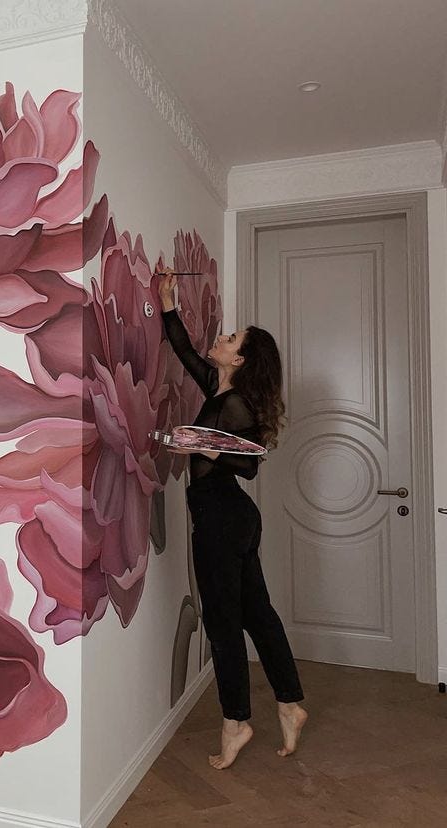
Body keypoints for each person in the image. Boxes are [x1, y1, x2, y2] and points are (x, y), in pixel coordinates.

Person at [158, 269, 307, 770]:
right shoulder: (219, 390)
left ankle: (236, 722)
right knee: (256, 614)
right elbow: (183, 351)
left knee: (225, 626)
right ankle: (289, 703)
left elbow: (249, 460)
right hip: (232, 520)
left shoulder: (236, 404)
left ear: (239, 359)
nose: (220, 338)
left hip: (223, 519)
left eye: (230, 338)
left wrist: (200, 443)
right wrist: (166, 302)